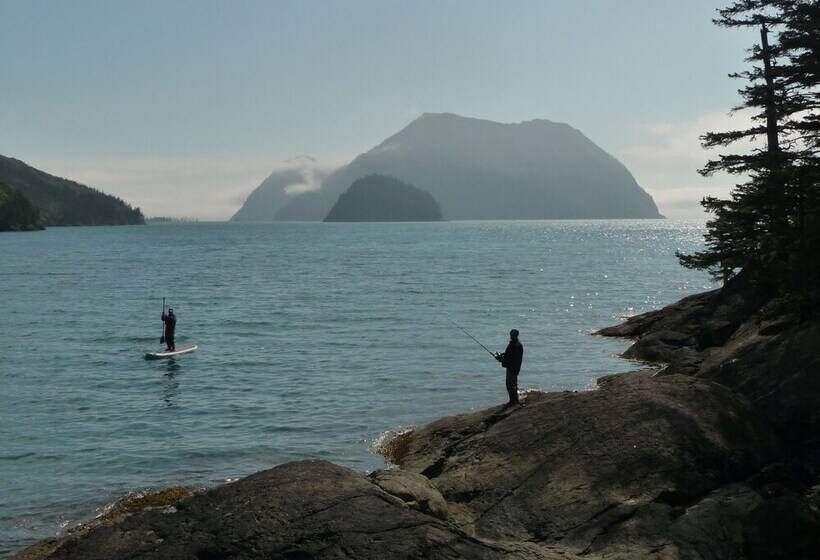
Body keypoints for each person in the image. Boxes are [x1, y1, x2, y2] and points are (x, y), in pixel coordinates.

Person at [495, 329, 523, 406]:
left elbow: (510, 357)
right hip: (515, 367)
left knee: (510, 385)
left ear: (514, 335)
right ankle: (514, 401)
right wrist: (502, 354)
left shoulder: (514, 345)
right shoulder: (517, 344)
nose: (510, 336)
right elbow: (509, 354)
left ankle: (513, 401)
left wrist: (500, 358)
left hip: (512, 368)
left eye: (511, 334)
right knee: (513, 384)